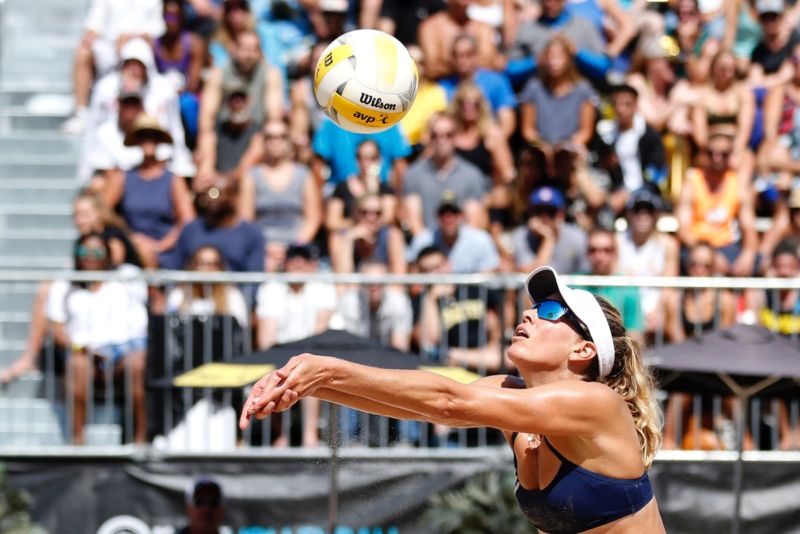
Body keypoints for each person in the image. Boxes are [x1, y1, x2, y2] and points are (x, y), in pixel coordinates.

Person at [241, 265, 665, 533]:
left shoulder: (596, 403)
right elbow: (420, 405)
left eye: (551, 312)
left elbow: (448, 401)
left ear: (584, 350)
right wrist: (308, 386)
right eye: (534, 307)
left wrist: (328, 371)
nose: (529, 313)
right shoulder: (514, 395)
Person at [49, 233, 149, 444]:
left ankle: (140, 439)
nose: (90, 256)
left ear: (108, 255)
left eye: (98, 251)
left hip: (125, 349)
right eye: (84, 251)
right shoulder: (65, 282)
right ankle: (78, 441)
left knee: (138, 364)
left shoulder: (127, 275)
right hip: (84, 350)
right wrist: (82, 348)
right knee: (78, 364)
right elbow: (56, 330)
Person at [255, 243, 336, 447]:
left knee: (309, 374)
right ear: (285, 263)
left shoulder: (323, 287)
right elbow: (266, 339)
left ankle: (309, 436)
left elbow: (320, 330)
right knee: (275, 375)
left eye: (304, 258)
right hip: (280, 353)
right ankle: (282, 435)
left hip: (311, 353)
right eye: (293, 257)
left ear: (312, 265)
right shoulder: (271, 288)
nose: (298, 262)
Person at [103, 113, 196, 268]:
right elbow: (103, 211)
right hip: (131, 249)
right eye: (143, 136)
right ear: (137, 141)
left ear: (159, 140)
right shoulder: (123, 177)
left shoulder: (173, 179)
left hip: (166, 251)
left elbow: (187, 220)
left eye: (152, 136)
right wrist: (128, 236)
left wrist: (160, 245)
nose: (148, 140)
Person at [239, 118, 321, 272]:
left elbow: (313, 219)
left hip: (298, 247)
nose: (275, 142)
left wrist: (293, 247)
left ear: (288, 141)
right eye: (270, 137)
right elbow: (246, 220)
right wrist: (266, 247)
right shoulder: (252, 176)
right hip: (263, 248)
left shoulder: (304, 175)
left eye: (281, 137)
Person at [166, 245, 249, 329]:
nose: (208, 269)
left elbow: (241, 327)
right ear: (193, 266)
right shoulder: (179, 294)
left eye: (214, 264)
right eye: (202, 263)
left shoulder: (232, 295)